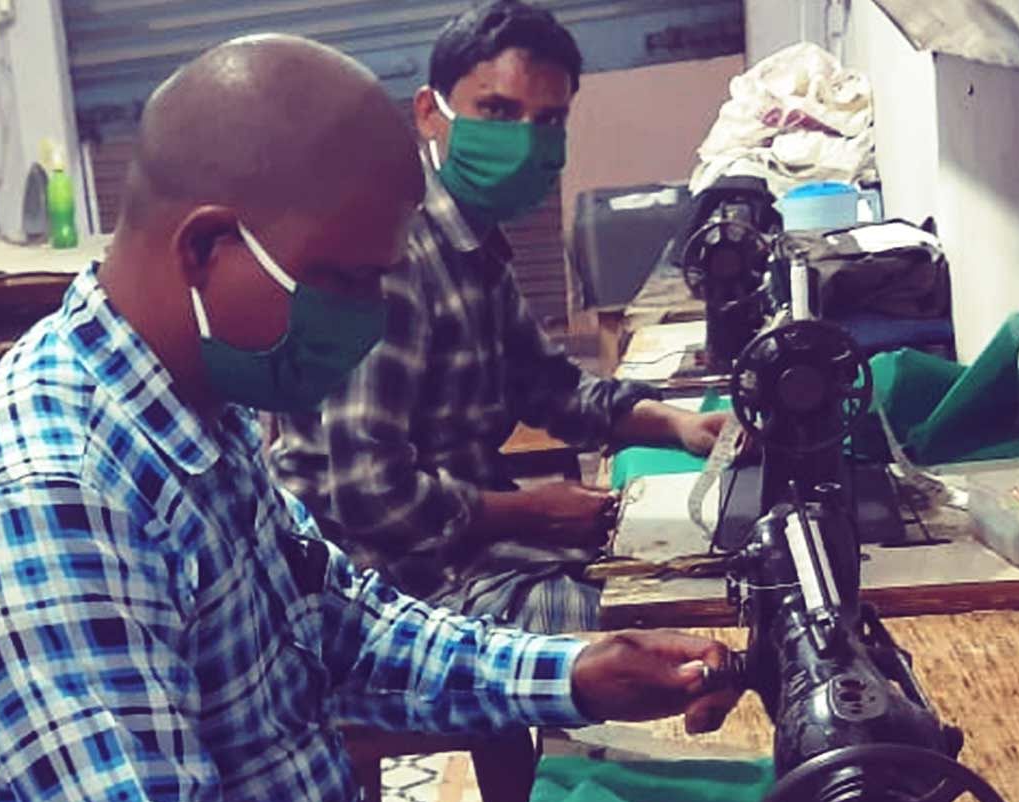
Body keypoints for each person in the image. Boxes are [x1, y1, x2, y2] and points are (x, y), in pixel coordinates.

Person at [0, 35, 742, 802]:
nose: (371, 317)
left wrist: (574, 674)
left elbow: (343, 629)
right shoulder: (40, 503)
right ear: (205, 248)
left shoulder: (194, 404)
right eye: (345, 282)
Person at [271, 0, 734, 634]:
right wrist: (530, 512)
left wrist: (679, 426)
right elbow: (367, 493)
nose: (523, 140)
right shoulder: (392, 257)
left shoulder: (471, 243)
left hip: (467, 554)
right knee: (688, 629)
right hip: (392, 592)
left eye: (548, 120)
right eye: (497, 111)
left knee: (710, 576)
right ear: (432, 114)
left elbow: (548, 386)